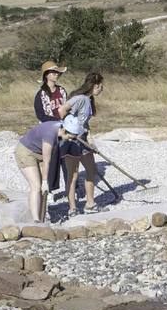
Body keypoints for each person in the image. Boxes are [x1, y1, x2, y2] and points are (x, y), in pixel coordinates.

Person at [59, 71, 104, 216]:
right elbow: (62, 110)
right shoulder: (80, 98)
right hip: (72, 142)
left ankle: (90, 204)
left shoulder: (89, 100)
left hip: (83, 140)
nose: (102, 89)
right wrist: (66, 131)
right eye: (101, 86)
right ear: (95, 85)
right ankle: (72, 208)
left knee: (91, 171)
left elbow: (84, 123)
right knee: (73, 175)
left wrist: (91, 141)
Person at [16, 119, 66, 223]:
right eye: (69, 137)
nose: (69, 140)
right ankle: (36, 220)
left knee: (43, 188)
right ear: (65, 131)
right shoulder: (50, 135)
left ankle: (41, 214)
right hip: (26, 152)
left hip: (38, 152)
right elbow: (47, 161)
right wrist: (44, 182)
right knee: (37, 186)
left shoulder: (61, 128)